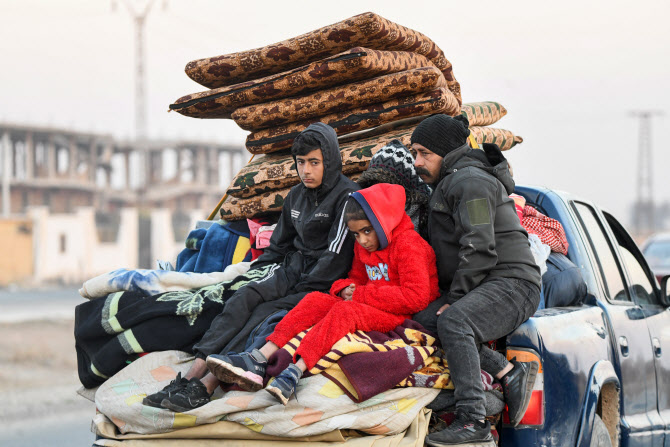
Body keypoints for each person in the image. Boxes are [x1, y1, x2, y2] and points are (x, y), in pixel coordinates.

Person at [145, 122, 359, 412]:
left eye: (314, 162)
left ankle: (206, 386)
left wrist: (297, 287)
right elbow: (278, 246)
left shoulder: (347, 197)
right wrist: (256, 275)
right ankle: (189, 377)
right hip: (291, 270)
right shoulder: (296, 195)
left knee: (262, 315)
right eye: (300, 163)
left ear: (330, 161)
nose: (306, 170)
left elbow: (335, 257)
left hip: (320, 283)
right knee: (243, 297)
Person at [205, 183, 439, 405]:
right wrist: (344, 288)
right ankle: (259, 358)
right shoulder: (363, 246)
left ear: (384, 222)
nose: (363, 240)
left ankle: (295, 371)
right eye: (356, 234)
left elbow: (415, 297)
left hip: (399, 313)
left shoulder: (409, 245)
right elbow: (355, 279)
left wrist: (359, 296)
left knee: (345, 310)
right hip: (369, 302)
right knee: (315, 299)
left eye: (367, 231)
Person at [409, 114, 542, 446]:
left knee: (453, 320)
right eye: (414, 153)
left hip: (513, 282)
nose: (417, 162)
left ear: (444, 151)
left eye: (424, 153)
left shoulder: (470, 182)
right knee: (422, 320)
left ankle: (473, 420)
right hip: (487, 281)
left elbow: (480, 247)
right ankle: (508, 373)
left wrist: (455, 299)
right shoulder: (451, 181)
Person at [357, 139, 432, 238]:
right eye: (373, 183)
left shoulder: (424, 213)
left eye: (386, 185)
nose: (379, 190)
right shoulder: (365, 211)